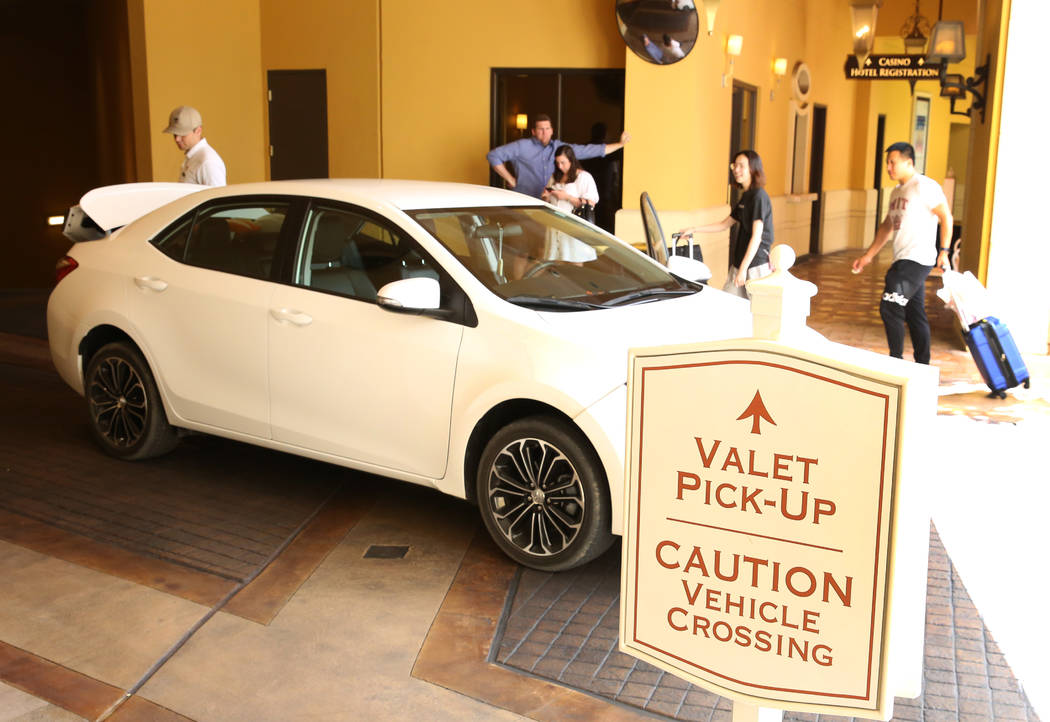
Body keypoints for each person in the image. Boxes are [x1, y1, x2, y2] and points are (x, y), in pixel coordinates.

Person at [852, 141, 952, 365]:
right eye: (887, 162)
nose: (889, 167)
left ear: (909, 162)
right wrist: (868, 256)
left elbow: (946, 216)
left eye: (893, 162)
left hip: (917, 259)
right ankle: (923, 365)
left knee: (890, 306)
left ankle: (895, 362)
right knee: (915, 313)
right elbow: (887, 225)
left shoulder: (924, 186)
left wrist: (944, 251)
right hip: (902, 258)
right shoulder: (897, 191)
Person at [677, 150, 774, 298]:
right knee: (729, 305)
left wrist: (743, 269)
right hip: (740, 264)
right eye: (735, 165)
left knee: (758, 312)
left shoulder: (759, 196)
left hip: (755, 266)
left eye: (741, 166)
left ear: (753, 169)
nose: (736, 169)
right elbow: (724, 224)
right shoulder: (746, 196)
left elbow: (757, 237)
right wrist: (694, 229)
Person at [487, 114, 630, 199]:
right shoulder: (521, 146)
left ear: (552, 130)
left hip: (551, 204)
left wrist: (619, 145)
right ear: (533, 131)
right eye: (540, 129)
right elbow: (493, 156)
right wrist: (510, 179)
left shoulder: (558, 147)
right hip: (525, 200)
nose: (544, 132)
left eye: (547, 128)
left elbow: (587, 150)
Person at [541, 146, 599, 262]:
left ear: (571, 161)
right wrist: (547, 197)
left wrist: (566, 197)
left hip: (572, 225)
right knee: (556, 261)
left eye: (563, 162)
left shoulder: (583, 177)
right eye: (557, 163)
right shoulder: (555, 177)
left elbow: (590, 204)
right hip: (554, 225)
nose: (560, 166)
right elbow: (547, 199)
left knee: (574, 258)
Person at [162, 105, 226, 186]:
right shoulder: (194, 157)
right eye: (175, 134)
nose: (177, 139)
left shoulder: (207, 162)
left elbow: (218, 197)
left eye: (182, 134)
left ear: (198, 131)